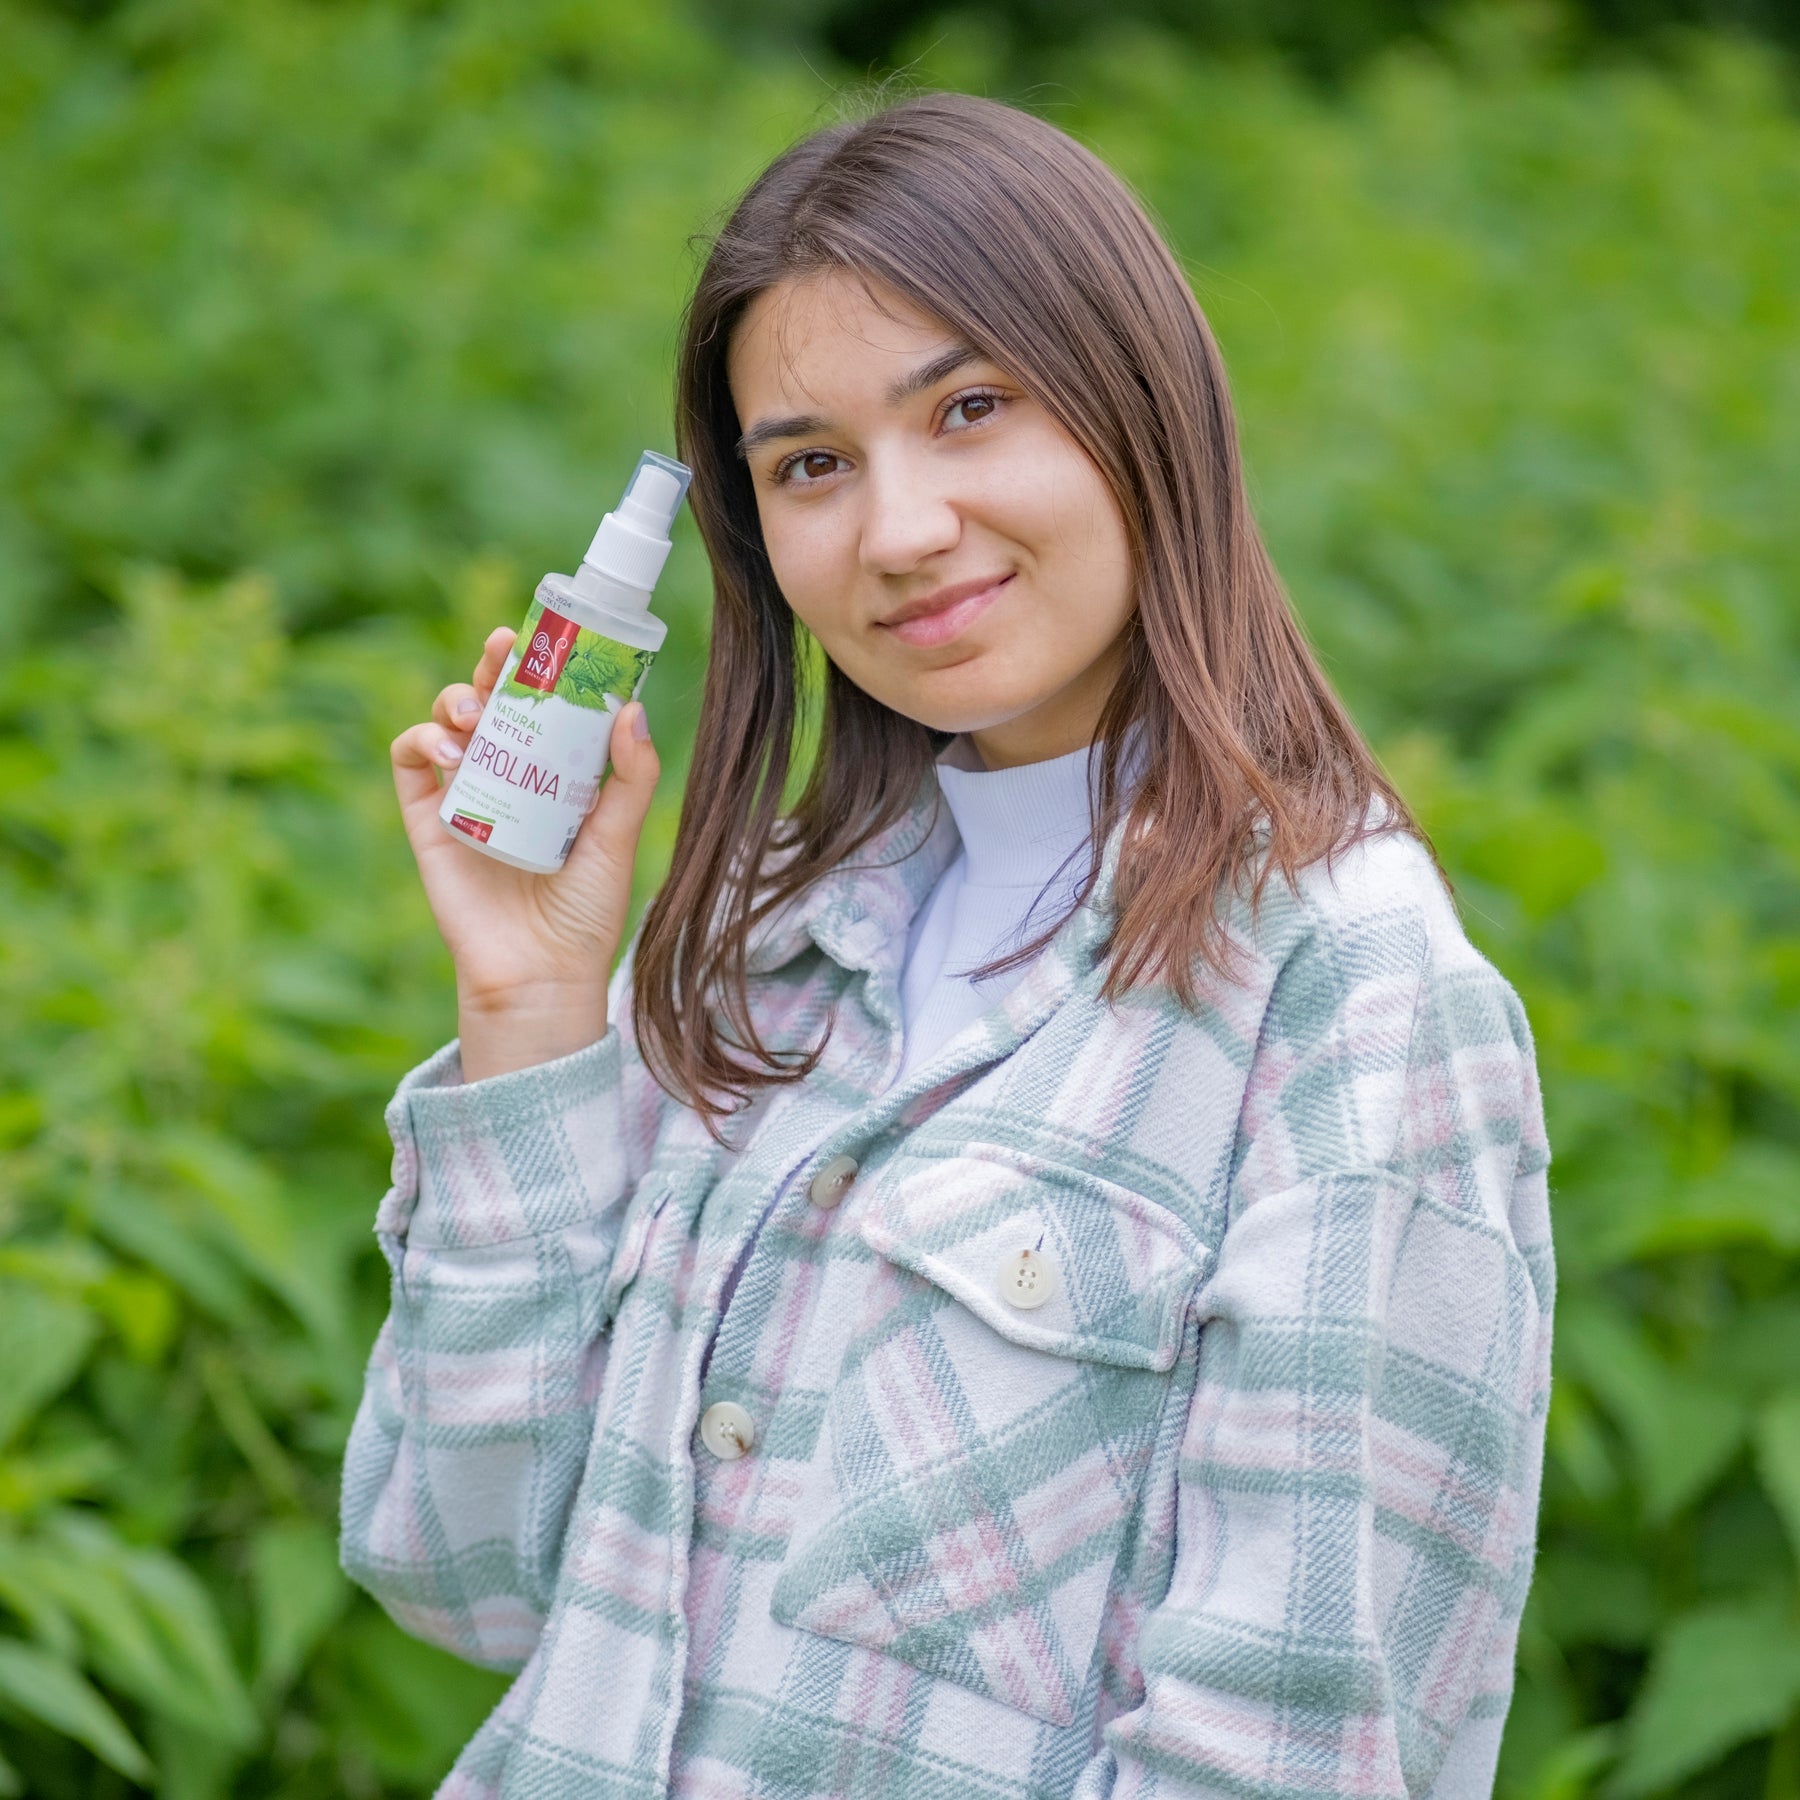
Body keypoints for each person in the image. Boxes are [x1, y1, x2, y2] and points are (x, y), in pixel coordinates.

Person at [342, 90, 1553, 1800]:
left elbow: (1291, 1754)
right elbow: (459, 1571)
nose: (898, 530)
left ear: (1143, 412)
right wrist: (528, 1005)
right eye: (810, 465)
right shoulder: (760, 943)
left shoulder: (1344, 995)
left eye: (970, 408)